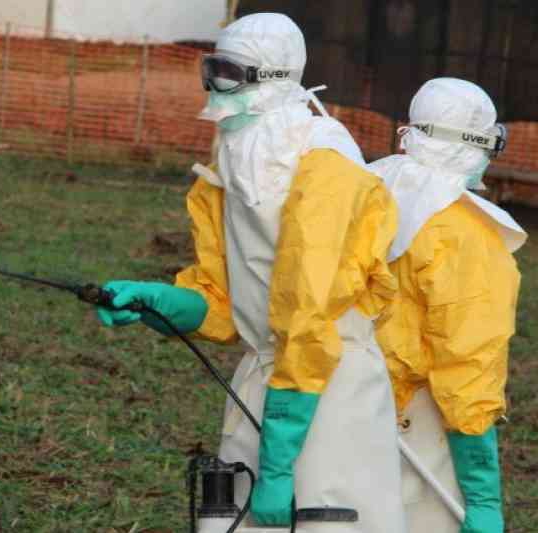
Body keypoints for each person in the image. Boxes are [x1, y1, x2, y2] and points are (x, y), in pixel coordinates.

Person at [96, 13, 405, 532]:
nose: (212, 87)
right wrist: (160, 303)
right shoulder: (234, 163)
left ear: (269, 79)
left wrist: (280, 465)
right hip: (265, 377)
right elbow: (223, 296)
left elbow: (309, 313)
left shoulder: (324, 161)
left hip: (328, 389)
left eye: (226, 72)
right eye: (210, 68)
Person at [369, 77, 526, 533]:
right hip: (418, 426)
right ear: (479, 145)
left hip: (345, 401)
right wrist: (481, 491)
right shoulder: (467, 235)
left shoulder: (366, 190)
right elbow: (468, 364)